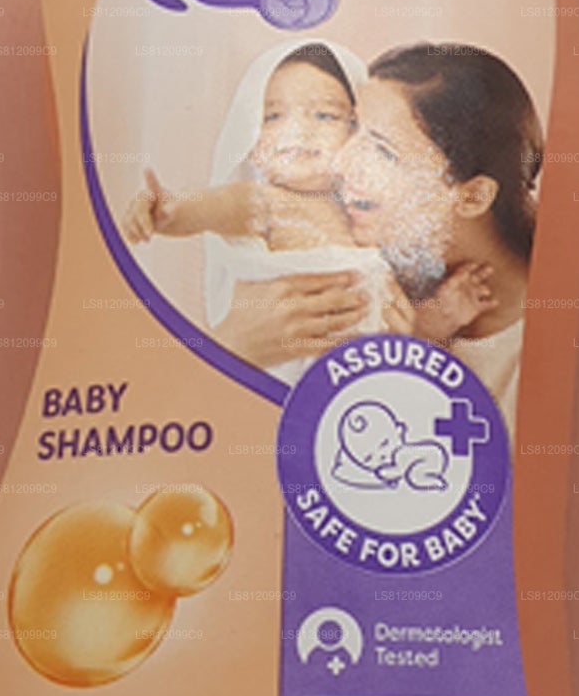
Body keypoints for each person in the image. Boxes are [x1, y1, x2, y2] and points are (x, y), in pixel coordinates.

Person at [121, 40, 399, 380]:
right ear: (249, 139)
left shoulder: (372, 211)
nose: (299, 130)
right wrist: (172, 210)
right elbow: (222, 206)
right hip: (291, 365)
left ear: (358, 130)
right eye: (273, 116)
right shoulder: (268, 203)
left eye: (325, 115)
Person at [333, 43, 541, 422]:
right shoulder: (361, 273)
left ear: (473, 196)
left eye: (383, 151)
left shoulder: (555, 343)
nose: (342, 163)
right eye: (352, 130)